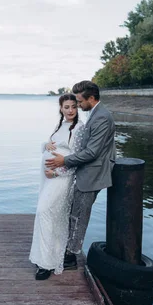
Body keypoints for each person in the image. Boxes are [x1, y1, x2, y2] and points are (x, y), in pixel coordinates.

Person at [45, 80, 116, 270]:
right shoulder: (95, 113)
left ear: (91, 98)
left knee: (79, 216)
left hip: (93, 173)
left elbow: (92, 152)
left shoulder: (102, 117)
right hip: (87, 170)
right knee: (75, 213)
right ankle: (70, 251)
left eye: (79, 101)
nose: (77, 105)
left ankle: (71, 257)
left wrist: (65, 161)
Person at [29, 94, 85, 280]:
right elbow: (49, 146)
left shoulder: (79, 129)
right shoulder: (60, 125)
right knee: (48, 216)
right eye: (66, 107)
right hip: (48, 179)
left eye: (73, 107)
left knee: (44, 212)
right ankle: (45, 259)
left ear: (77, 108)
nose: (70, 110)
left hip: (61, 179)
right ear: (60, 108)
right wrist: (46, 144)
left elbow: (77, 159)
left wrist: (57, 173)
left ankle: (47, 264)